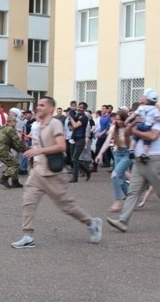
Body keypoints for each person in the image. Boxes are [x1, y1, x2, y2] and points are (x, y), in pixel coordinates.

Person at [11, 96, 103, 248]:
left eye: (42, 105)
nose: (38, 107)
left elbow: (61, 146)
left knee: (66, 206)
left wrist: (38, 150)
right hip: (38, 172)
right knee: (28, 201)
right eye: (37, 105)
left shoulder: (55, 124)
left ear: (50, 108)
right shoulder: (39, 124)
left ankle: (92, 223)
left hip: (54, 174)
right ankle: (28, 236)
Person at [106, 92, 160, 234]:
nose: (141, 102)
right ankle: (123, 221)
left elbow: (152, 136)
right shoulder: (139, 116)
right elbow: (128, 133)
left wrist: (135, 130)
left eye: (143, 99)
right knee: (133, 192)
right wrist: (133, 124)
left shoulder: (159, 119)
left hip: (154, 160)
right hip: (139, 160)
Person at [95, 109, 134, 213]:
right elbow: (107, 142)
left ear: (125, 119)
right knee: (120, 180)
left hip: (127, 154)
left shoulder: (129, 128)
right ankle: (132, 199)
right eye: (116, 119)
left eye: (120, 120)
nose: (118, 122)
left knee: (115, 175)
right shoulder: (113, 128)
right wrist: (100, 154)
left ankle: (117, 202)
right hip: (117, 153)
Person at [126, 90, 160, 163]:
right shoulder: (155, 110)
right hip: (147, 127)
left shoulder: (141, 108)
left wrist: (128, 120)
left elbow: (134, 114)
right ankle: (144, 154)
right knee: (147, 142)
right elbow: (158, 118)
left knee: (135, 138)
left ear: (147, 100)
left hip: (140, 125)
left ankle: (131, 149)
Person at [0, 116, 28, 189]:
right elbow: (17, 141)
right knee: (15, 164)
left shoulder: (3, 128)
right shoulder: (10, 129)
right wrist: (25, 148)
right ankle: (4, 178)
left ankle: (15, 181)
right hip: (2, 150)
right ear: (11, 122)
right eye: (15, 122)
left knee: (12, 164)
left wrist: (21, 149)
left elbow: (12, 144)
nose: (16, 123)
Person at [67, 101, 92, 182]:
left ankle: (75, 177)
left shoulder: (84, 117)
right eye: (78, 107)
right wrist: (70, 123)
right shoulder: (77, 116)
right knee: (73, 159)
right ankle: (87, 171)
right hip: (73, 139)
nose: (79, 109)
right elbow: (72, 128)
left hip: (80, 140)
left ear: (84, 109)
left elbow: (75, 125)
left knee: (75, 159)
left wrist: (71, 118)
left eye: (81, 108)